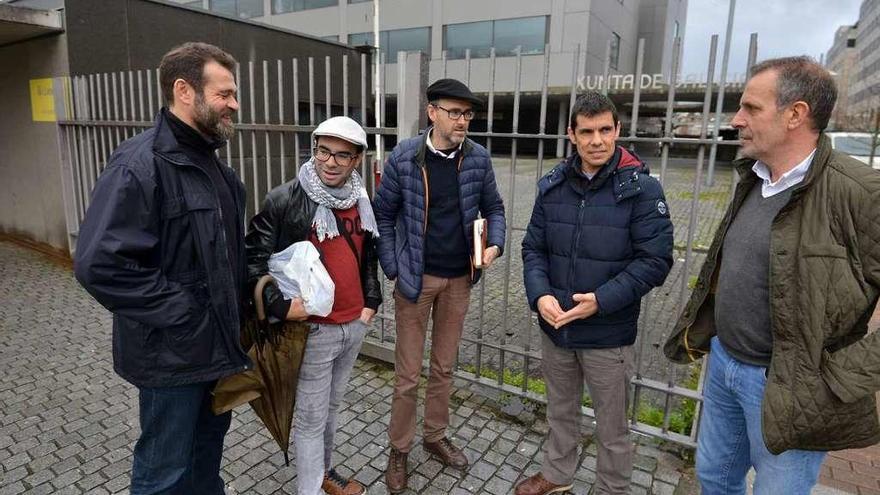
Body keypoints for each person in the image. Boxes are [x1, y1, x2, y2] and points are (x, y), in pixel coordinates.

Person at [664, 56, 880, 494]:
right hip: (725, 362)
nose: (736, 119)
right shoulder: (754, 177)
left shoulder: (859, 192)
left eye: (751, 108)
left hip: (793, 388)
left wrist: (842, 377)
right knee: (715, 478)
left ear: (795, 114)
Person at [74, 42, 247, 494]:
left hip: (216, 352)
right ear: (184, 90)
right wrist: (184, 312)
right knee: (163, 474)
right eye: (225, 93)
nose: (234, 104)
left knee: (206, 462)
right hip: (172, 359)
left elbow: (226, 257)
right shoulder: (139, 164)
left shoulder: (217, 171)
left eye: (233, 94)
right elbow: (100, 264)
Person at [517, 91, 674, 495]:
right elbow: (533, 248)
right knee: (560, 411)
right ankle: (557, 475)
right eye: (586, 131)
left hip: (608, 333)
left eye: (605, 130)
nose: (597, 140)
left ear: (618, 130)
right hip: (558, 328)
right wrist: (539, 295)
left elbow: (655, 261)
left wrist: (601, 300)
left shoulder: (643, 190)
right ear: (571, 134)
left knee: (613, 426)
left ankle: (612, 488)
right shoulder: (553, 186)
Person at [373, 78, 506, 493]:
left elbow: (496, 208)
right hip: (415, 281)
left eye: (468, 113)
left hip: (459, 280)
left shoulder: (478, 159)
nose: (463, 120)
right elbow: (383, 216)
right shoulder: (405, 157)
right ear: (432, 113)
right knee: (408, 375)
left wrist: (496, 244)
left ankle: (434, 437)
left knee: (445, 368)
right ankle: (399, 449)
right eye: (455, 112)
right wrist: (394, 267)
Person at [245, 116, 381, 495]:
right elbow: (253, 260)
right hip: (313, 328)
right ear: (314, 148)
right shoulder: (285, 198)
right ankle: (310, 489)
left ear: (356, 160)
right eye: (323, 151)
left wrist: (371, 301)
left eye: (342, 155)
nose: (330, 162)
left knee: (332, 409)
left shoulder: (360, 199)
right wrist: (280, 306)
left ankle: (323, 474)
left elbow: (368, 254)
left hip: (353, 324)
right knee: (309, 418)